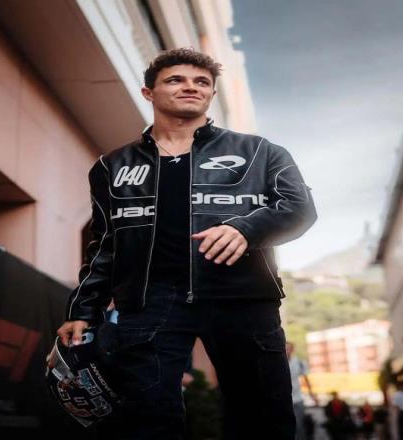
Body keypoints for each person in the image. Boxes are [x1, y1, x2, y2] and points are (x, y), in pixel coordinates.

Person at [55, 48, 317, 440]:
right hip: (149, 302)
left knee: (262, 415)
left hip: (241, 297)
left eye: (202, 82)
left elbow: (300, 208)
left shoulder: (260, 152)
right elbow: (105, 244)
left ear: (211, 94)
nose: (191, 87)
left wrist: (247, 228)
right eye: (176, 80)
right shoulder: (112, 166)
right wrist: (83, 310)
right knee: (147, 419)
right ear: (148, 92)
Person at [286, 342, 318, 440]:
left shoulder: (299, 363)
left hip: (298, 399)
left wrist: (312, 394)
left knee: (299, 425)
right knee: (288, 425)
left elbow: (306, 379)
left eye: (289, 348)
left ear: (292, 350)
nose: (287, 350)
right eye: (285, 348)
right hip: (286, 400)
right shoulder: (279, 363)